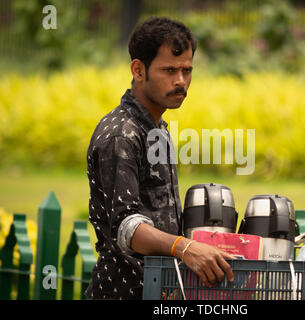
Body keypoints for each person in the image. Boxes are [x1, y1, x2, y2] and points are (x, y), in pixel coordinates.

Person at [85, 16, 234, 300]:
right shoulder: (121, 135)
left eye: (187, 70)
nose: (180, 81)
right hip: (123, 292)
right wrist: (185, 248)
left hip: (159, 292)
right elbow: (129, 228)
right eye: (169, 70)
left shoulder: (157, 129)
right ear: (139, 70)